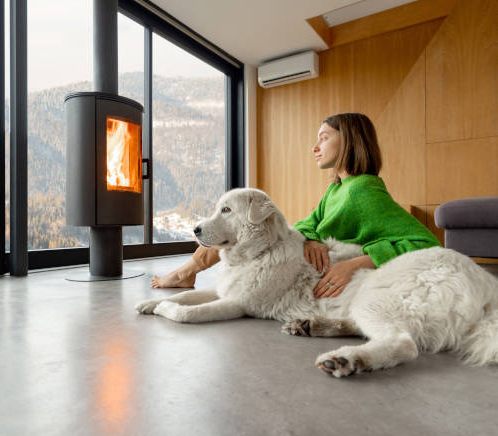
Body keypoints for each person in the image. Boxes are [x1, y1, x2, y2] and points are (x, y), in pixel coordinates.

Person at [151, 112, 441, 297]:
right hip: (306, 255)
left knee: (246, 225)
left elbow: (427, 244)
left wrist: (359, 262)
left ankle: (185, 273)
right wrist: (311, 239)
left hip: (317, 266)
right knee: (241, 224)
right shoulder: (338, 188)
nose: (315, 146)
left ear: (350, 142)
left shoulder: (364, 192)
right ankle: (187, 272)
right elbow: (309, 223)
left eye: (324, 138)